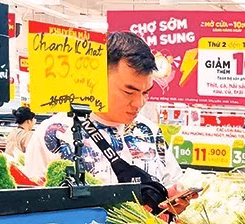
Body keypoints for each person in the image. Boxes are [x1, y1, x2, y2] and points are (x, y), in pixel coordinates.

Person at [25, 32, 182, 186]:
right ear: (98, 80)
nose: (139, 103)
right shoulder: (54, 133)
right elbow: (30, 195)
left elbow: (173, 183)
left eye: (146, 92)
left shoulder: (150, 132)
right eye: (128, 92)